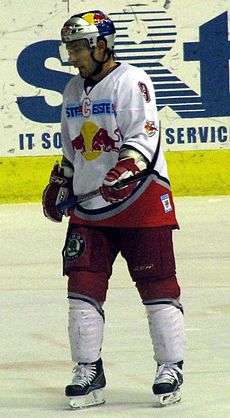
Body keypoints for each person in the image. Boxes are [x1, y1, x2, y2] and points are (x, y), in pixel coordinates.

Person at [42, 10, 185, 409]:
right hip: (90, 210)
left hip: (142, 203)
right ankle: (88, 370)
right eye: (68, 46)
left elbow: (145, 134)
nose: (72, 53)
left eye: (78, 46)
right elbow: (72, 149)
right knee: (81, 291)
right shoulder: (72, 91)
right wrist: (64, 179)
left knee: (158, 289)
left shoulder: (131, 80)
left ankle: (170, 366)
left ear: (101, 45)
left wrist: (127, 166)